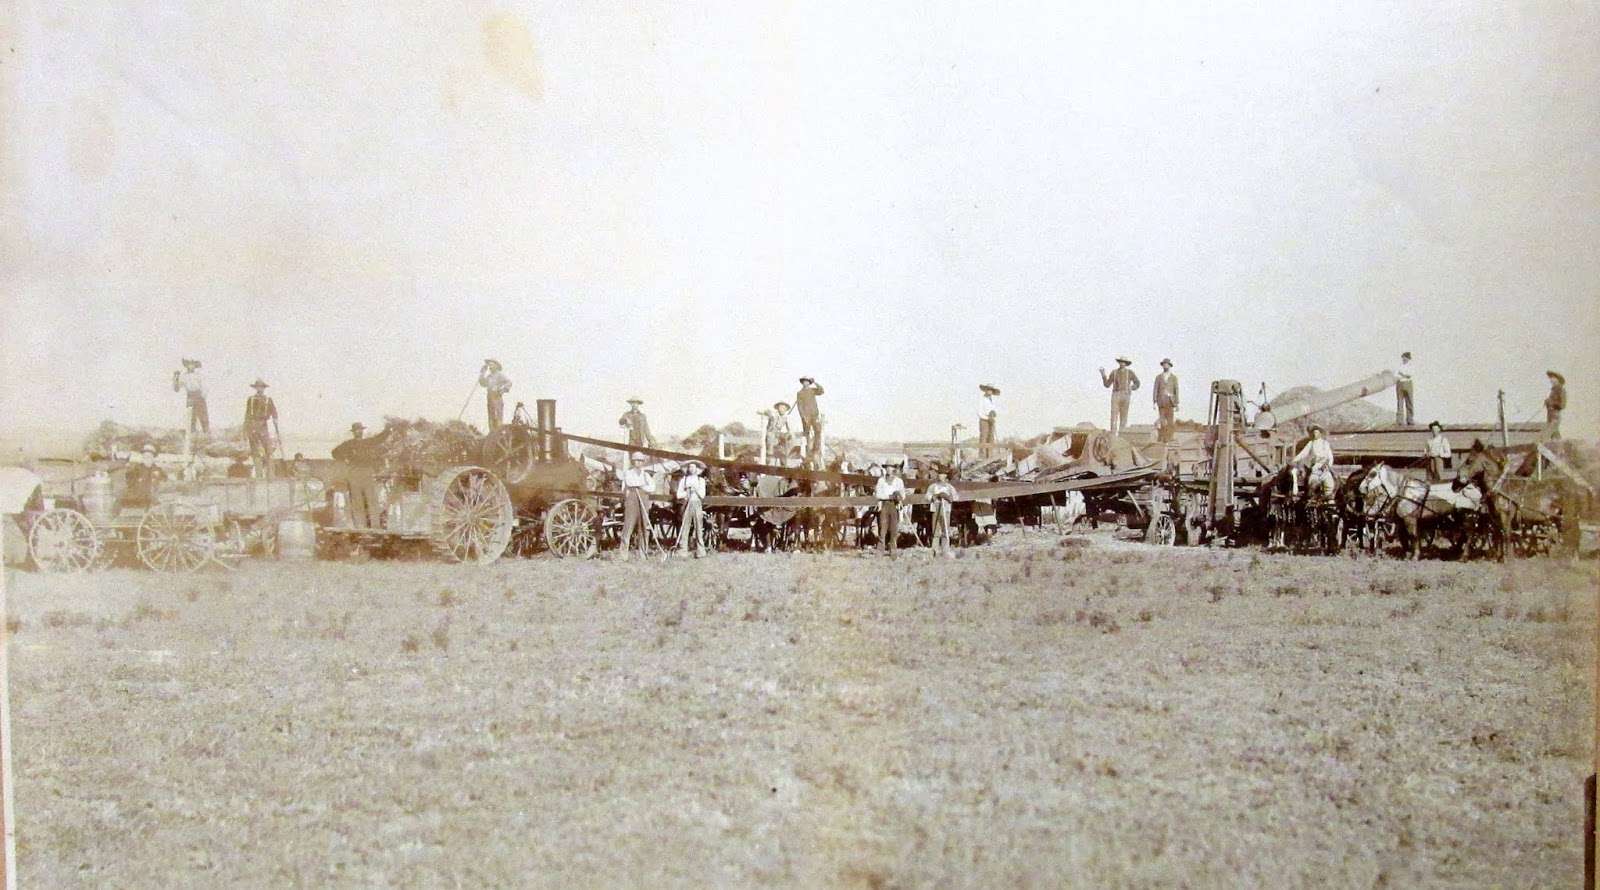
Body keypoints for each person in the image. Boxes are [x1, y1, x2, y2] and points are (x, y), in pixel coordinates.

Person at [332, 421, 389, 528]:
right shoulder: (348, 444)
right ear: (354, 432)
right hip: (355, 474)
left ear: (363, 431)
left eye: (361, 430)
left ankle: (375, 525)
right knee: (357, 501)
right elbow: (335, 452)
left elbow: (380, 438)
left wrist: (388, 428)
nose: (360, 431)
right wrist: (346, 458)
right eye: (358, 430)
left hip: (368, 473)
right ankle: (359, 526)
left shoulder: (368, 442)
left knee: (372, 500)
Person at [619, 452, 653, 560]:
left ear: (643, 462)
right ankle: (623, 554)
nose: (637, 463)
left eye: (640, 461)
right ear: (633, 462)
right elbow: (630, 483)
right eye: (635, 461)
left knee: (644, 526)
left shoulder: (646, 475)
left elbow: (652, 487)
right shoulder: (628, 473)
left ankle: (643, 553)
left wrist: (642, 487)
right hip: (632, 499)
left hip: (643, 498)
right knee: (628, 526)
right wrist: (642, 485)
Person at [243, 379, 279, 479]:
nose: (260, 389)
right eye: (258, 387)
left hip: (263, 426)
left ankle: (271, 475)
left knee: (268, 451)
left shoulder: (268, 400)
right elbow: (247, 415)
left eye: (261, 387)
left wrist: (275, 419)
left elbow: (274, 413)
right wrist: (245, 430)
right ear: (256, 388)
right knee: (255, 452)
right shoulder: (251, 399)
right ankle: (259, 475)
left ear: (264, 388)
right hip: (253, 426)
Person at [1291, 424, 1336, 500]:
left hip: (1324, 465)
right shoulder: (1311, 443)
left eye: (1317, 433)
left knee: (1330, 481)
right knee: (1311, 480)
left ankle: (1329, 497)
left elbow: (1330, 456)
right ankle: (1311, 495)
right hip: (1314, 466)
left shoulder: (1325, 443)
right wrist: (1294, 460)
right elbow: (1304, 453)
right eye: (1314, 433)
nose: (1315, 434)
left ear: (1320, 434)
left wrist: (1329, 465)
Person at [1099, 357, 1140, 437]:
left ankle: (1122, 436)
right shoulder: (1114, 372)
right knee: (1114, 415)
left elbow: (1137, 382)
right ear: (1119, 363)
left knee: (1124, 416)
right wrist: (1103, 375)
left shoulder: (1130, 372)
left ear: (1126, 364)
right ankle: (1113, 435)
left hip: (1125, 395)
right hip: (1116, 394)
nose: (1122, 363)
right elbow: (1107, 384)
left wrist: (1131, 387)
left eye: (1124, 362)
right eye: (1121, 362)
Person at [675, 459, 708, 558]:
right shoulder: (684, 480)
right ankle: (682, 550)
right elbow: (678, 495)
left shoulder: (700, 480)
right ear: (688, 469)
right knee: (685, 527)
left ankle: (701, 551)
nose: (691, 469)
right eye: (690, 467)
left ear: (697, 469)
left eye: (693, 467)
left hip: (697, 504)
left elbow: (702, 495)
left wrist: (695, 489)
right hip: (687, 505)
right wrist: (687, 492)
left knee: (698, 527)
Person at [171, 358, 209, 440]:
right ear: (187, 365)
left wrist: (202, 396)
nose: (191, 366)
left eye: (193, 364)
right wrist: (175, 378)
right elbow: (177, 389)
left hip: (199, 396)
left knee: (203, 417)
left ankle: (206, 437)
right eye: (189, 364)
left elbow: (205, 386)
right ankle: (191, 437)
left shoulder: (199, 374)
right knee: (191, 417)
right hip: (190, 397)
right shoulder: (183, 376)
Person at [874, 462, 907, 556]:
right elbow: (878, 495)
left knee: (893, 528)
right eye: (887, 467)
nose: (889, 469)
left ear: (894, 469)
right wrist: (889, 496)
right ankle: (880, 549)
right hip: (884, 505)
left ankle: (893, 549)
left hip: (894, 506)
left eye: (891, 467)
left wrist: (899, 496)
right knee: (882, 528)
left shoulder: (898, 481)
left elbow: (903, 494)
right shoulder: (881, 480)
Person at [926, 471, 958, 557]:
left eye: (943, 474)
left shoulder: (949, 487)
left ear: (946, 475)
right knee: (935, 528)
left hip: (946, 509)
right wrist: (936, 496)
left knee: (945, 529)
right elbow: (928, 496)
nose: (941, 475)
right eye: (940, 473)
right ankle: (935, 549)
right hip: (935, 509)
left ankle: (945, 549)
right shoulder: (933, 486)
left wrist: (946, 496)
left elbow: (955, 497)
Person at [796, 377, 826, 464]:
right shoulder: (800, 393)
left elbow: (821, 391)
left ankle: (815, 449)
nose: (806, 383)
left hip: (814, 415)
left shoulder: (813, 390)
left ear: (809, 382)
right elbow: (799, 406)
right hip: (806, 417)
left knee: (818, 431)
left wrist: (815, 382)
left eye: (808, 381)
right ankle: (808, 452)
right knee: (807, 434)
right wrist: (803, 417)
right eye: (805, 381)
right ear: (802, 383)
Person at [122, 445, 162, 509]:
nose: (147, 459)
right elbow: (129, 479)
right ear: (142, 458)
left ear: (153, 458)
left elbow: (164, 480)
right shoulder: (136, 468)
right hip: (139, 496)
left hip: (153, 496)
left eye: (150, 457)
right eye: (145, 457)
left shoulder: (157, 469)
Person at [479, 360, 512, 432]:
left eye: (491, 365)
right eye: (489, 365)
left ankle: (498, 435)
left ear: (496, 366)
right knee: (491, 418)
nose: (490, 367)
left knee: (498, 418)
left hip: (497, 398)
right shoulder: (489, 376)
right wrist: (482, 373)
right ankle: (492, 435)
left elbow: (509, 382)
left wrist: (503, 390)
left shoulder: (499, 375)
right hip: (490, 398)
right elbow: (483, 383)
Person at [1153, 359, 1179, 443]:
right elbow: (1155, 389)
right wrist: (1154, 401)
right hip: (1161, 402)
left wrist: (1176, 403)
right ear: (1162, 366)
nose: (1165, 366)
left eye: (1167, 365)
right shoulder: (1159, 377)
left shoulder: (1174, 377)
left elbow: (1176, 390)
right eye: (1164, 365)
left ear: (1170, 366)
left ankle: (1169, 438)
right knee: (1162, 421)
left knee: (1170, 421)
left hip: (1170, 401)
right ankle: (1163, 438)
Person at [977, 385, 1000, 456]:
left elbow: (995, 410)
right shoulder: (982, 400)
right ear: (986, 390)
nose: (990, 391)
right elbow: (979, 413)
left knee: (991, 437)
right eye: (988, 390)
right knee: (984, 437)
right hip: (984, 420)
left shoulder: (992, 401)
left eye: (991, 390)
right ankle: (982, 455)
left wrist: (994, 414)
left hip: (991, 420)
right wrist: (987, 418)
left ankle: (990, 455)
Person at [1544, 371, 1566, 440]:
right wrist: (1547, 403)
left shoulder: (1561, 390)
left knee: (1553, 432)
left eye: (1553, 378)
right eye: (1551, 378)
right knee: (1552, 434)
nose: (1551, 380)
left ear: (1558, 380)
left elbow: (1562, 405)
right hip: (1550, 415)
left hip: (1555, 415)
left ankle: (1560, 447)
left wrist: (1551, 402)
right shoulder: (1553, 391)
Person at [1395, 352, 1415, 426]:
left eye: (1405, 357)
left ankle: (1410, 419)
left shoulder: (1411, 366)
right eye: (1403, 357)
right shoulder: (1400, 366)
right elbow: (1396, 375)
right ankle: (1399, 420)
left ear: (1408, 358)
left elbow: (1409, 374)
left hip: (1408, 383)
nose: (1404, 359)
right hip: (1400, 383)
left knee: (1409, 401)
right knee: (1400, 402)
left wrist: (1402, 374)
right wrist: (1402, 375)